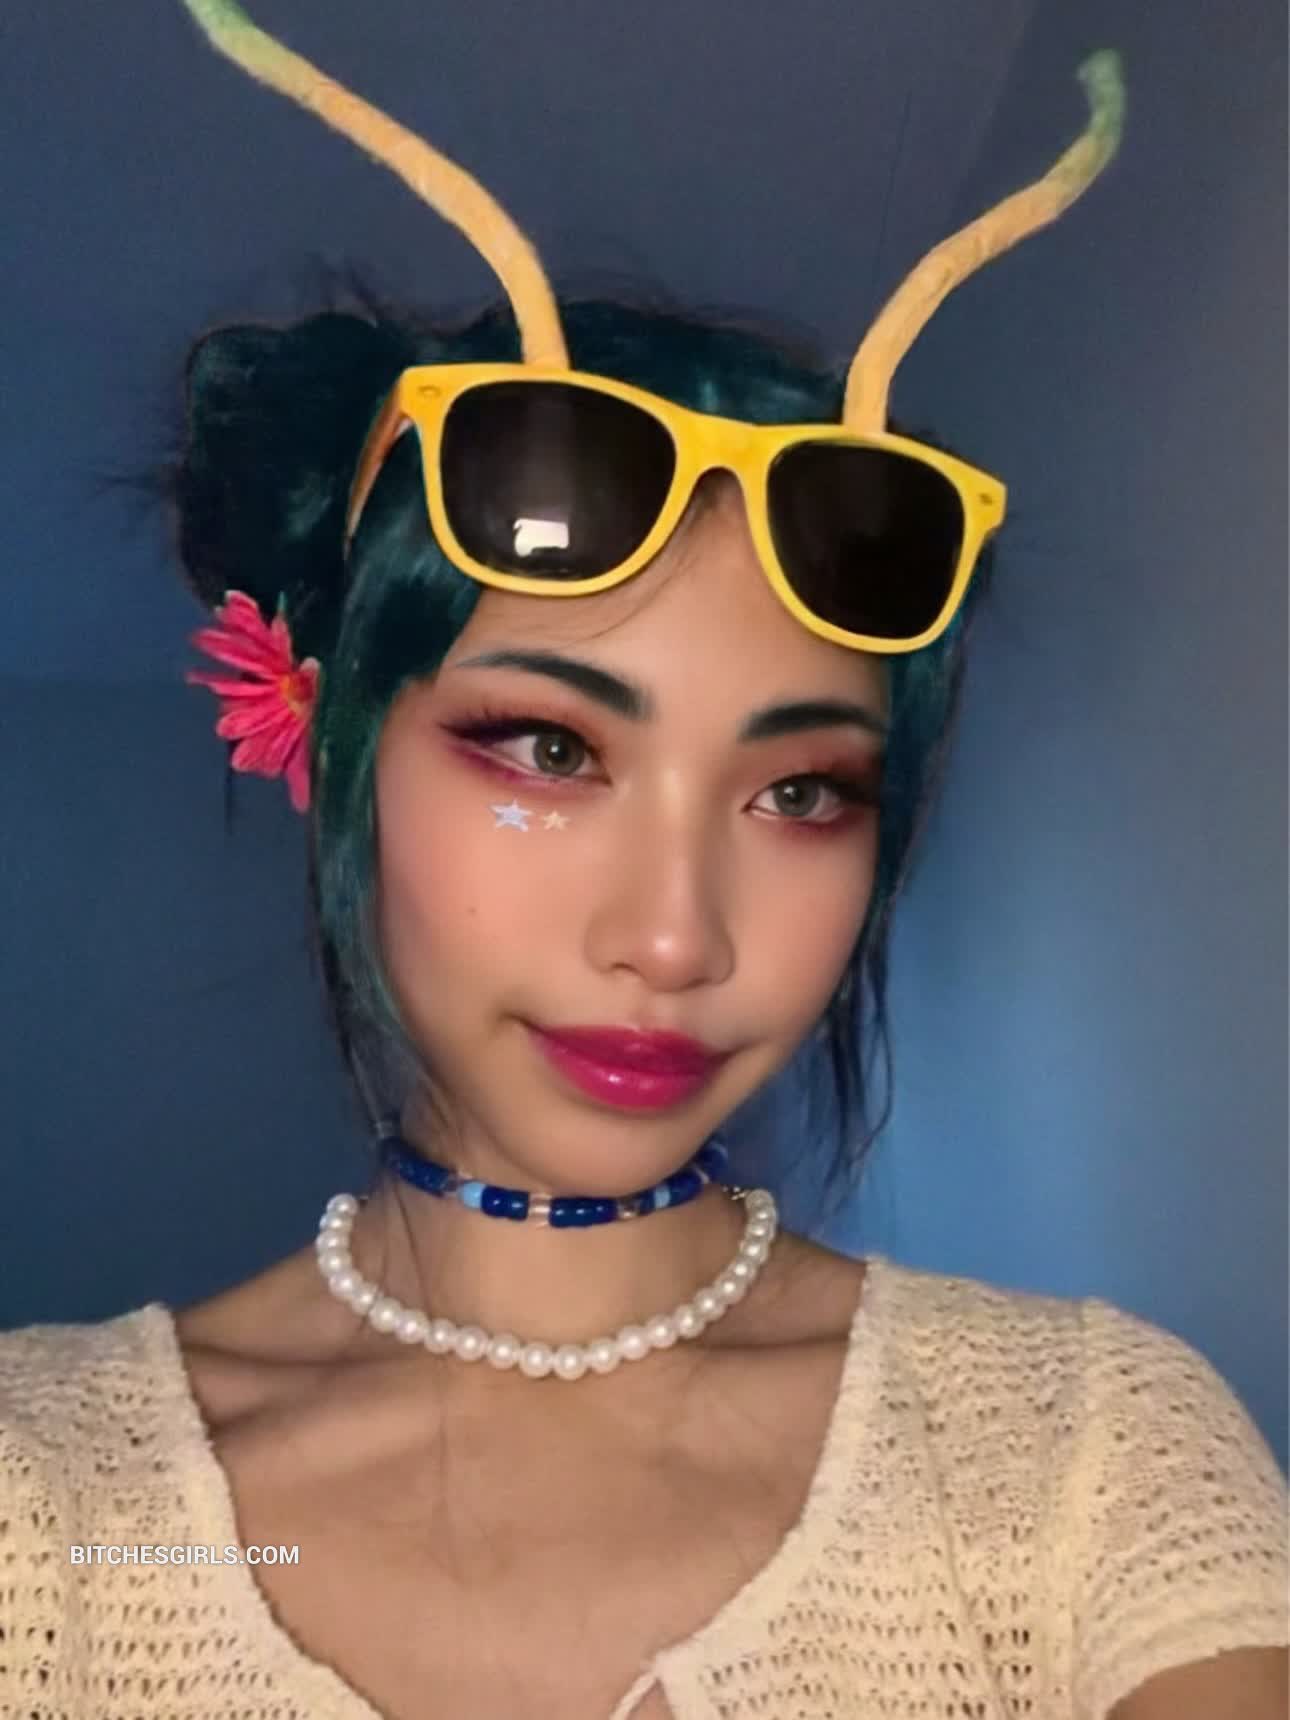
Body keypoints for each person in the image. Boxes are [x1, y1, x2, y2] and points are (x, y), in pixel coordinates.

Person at [0, 5, 1285, 1718]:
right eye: (549, 750)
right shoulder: (54, 1509)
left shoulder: (1086, 1465)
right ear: (330, 736)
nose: (675, 940)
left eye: (800, 792)